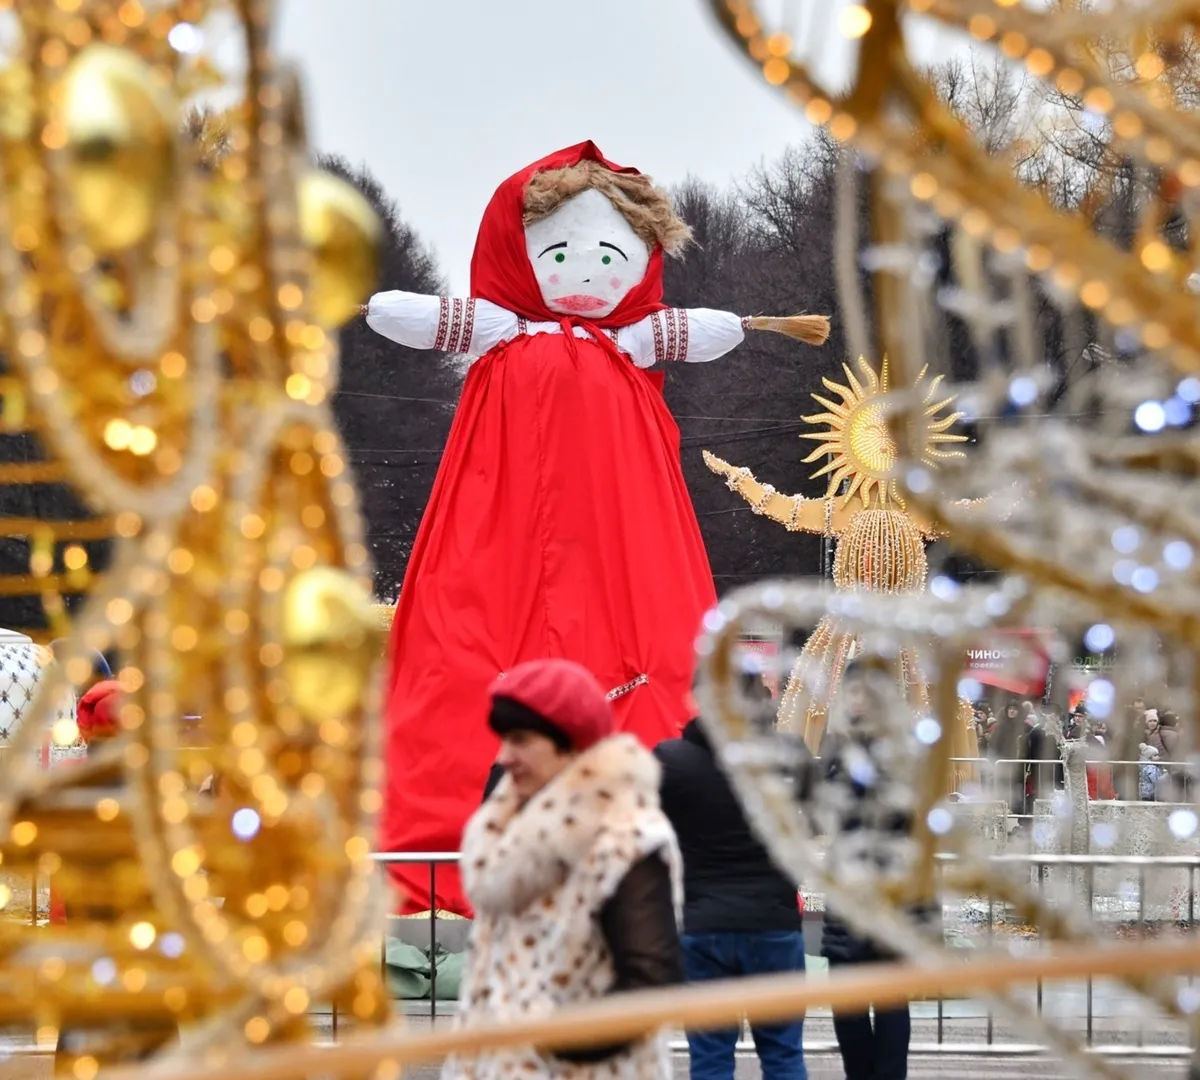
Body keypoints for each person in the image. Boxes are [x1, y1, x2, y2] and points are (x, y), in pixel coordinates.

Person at [368, 139, 829, 914]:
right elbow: (423, 319)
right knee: (480, 620)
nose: (585, 275)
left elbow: (697, 329)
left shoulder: (630, 343)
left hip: (619, 527)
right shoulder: (503, 334)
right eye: (561, 255)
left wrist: (755, 324)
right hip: (505, 516)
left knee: (636, 627)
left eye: (611, 257)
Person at [445, 658, 683, 1080]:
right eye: (503, 740)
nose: (504, 756)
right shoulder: (506, 831)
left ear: (570, 743)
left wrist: (545, 1043)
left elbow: (650, 980)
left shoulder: (625, 839)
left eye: (520, 740)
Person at [656, 682, 809, 1080]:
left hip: (703, 923)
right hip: (773, 921)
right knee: (783, 1054)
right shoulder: (789, 757)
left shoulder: (672, 761)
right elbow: (807, 821)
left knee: (710, 1056)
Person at [819, 658, 921, 1080]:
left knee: (889, 996)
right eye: (853, 691)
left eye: (865, 692)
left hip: (887, 888)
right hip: (849, 888)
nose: (857, 700)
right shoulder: (839, 750)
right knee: (849, 1001)